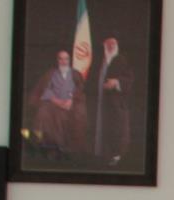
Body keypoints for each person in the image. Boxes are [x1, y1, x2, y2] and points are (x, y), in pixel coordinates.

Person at [28, 49, 85, 157]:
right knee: (43, 113)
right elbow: (46, 89)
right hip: (54, 102)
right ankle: (49, 147)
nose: (63, 62)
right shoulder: (51, 73)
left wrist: (71, 100)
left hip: (71, 103)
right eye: (61, 59)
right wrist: (57, 102)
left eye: (66, 59)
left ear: (69, 60)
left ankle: (68, 149)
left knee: (78, 114)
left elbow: (80, 90)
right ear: (57, 60)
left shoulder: (75, 74)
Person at [92, 36, 130, 165]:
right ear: (104, 45)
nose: (111, 46)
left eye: (114, 43)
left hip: (116, 104)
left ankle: (116, 156)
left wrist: (117, 82)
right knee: (101, 127)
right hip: (100, 103)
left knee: (116, 129)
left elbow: (130, 79)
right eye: (108, 43)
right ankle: (102, 155)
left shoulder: (121, 60)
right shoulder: (100, 61)